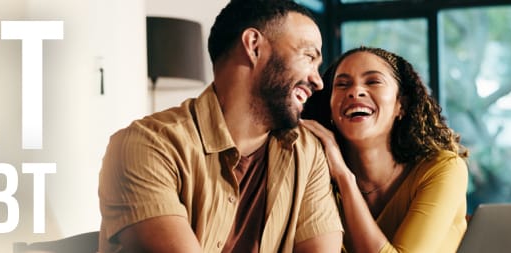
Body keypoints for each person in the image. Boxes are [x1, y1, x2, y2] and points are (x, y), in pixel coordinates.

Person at [98, 0, 344, 252]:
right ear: (254, 46)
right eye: (309, 56)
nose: (318, 80)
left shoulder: (307, 152)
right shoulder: (145, 147)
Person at [300, 47, 469, 253]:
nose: (355, 91)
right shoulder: (317, 175)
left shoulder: (444, 168)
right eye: (342, 85)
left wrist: (344, 178)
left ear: (401, 105)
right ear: (330, 108)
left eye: (373, 81)